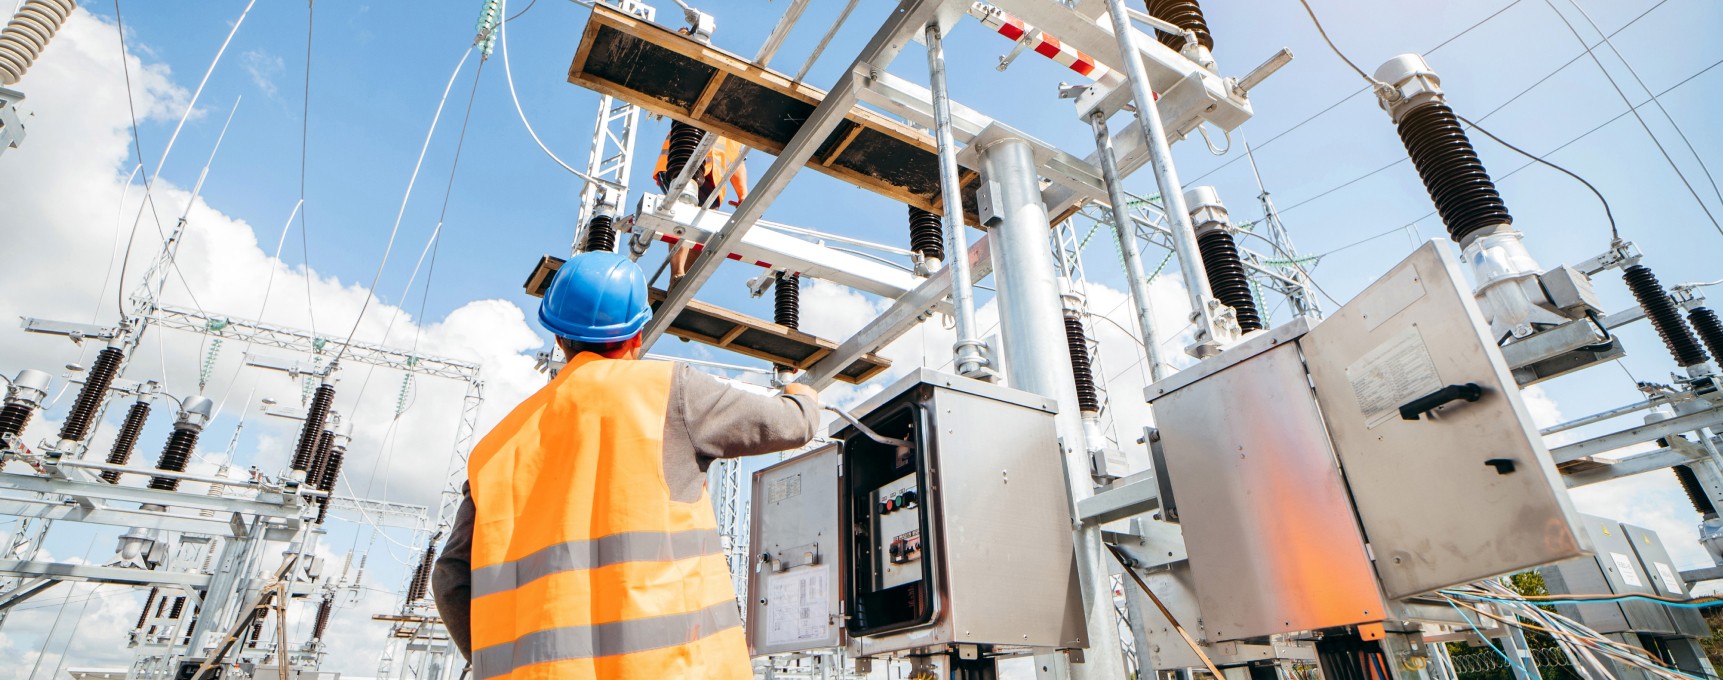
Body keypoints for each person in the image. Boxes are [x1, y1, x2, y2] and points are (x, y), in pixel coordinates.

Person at [432, 251, 821, 679]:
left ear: (559, 339)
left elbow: (450, 578)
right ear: (637, 335)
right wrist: (802, 392)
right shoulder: (669, 392)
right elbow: (794, 424)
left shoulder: (495, 448)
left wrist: (496, 661)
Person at [652, 121, 748, 281]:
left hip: (712, 179)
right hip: (681, 161)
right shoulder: (713, 104)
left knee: (702, 230)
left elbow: (737, 161)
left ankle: (683, 281)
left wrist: (743, 194)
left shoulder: (740, 130)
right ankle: (676, 274)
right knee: (684, 211)